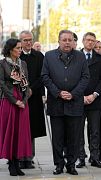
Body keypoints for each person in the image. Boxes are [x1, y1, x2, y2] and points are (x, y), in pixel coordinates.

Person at [41, 30, 90, 175]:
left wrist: (73, 94)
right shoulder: (49, 56)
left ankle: (71, 164)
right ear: (59, 41)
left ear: (73, 41)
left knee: (74, 137)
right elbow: (45, 76)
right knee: (57, 137)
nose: (67, 42)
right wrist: (57, 92)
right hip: (56, 103)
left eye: (70, 40)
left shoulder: (80, 57)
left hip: (74, 103)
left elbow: (85, 77)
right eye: (64, 40)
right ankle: (58, 164)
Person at [0, 38, 32, 176]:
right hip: (9, 101)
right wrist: (14, 101)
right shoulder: (2, 64)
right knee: (10, 132)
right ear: (10, 49)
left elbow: (26, 84)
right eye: (18, 48)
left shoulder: (23, 63)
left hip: (22, 101)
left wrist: (24, 100)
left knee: (20, 132)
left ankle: (18, 162)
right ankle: (11, 164)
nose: (20, 50)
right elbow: (1, 84)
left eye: (20, 48)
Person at [76, 32, 101, 169]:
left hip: (95, 99)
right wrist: (80, 96)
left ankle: (94, 157)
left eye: (93, 41)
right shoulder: (75, 57)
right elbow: (71, 78)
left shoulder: (100, 59)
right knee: (78, 130)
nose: (90, 43)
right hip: (78, 99)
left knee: (95, 130)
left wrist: (94, 95)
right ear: (83, 41)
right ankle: (80, 158)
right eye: (88, 40)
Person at [19, 30, 46, 169]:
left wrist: (31, 89)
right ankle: (18, 157)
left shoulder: (39, 56)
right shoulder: (16, 55)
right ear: (20, 41)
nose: (28, 42)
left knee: (31, 128)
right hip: (18, 98)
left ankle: (29, 157)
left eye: (30, 39)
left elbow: (43, 76)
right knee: (18, 128)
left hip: (33, 97)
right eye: (25, 40)